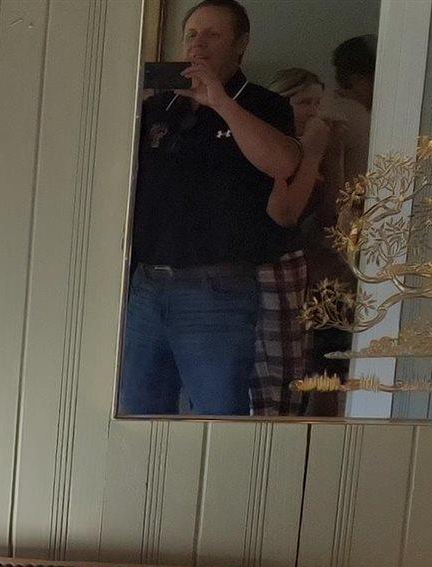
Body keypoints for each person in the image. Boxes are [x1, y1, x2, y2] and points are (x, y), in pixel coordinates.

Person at [118, 0, 301, 417]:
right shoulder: (158, 107)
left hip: (216, 291)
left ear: (242, 45)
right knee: (138, 414)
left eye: (213, 35)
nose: (199, 44)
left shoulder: (263, 104)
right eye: (192, 35)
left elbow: (284, 163)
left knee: (217, 417)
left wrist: (220, 102)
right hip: (146, 288)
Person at [264, 67, 365, 414]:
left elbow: (329, 215)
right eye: (304, 102)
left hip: (318, 275)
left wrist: (332, 154)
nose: (314, 112)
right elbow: (285, 215)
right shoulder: (272, 150)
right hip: (279, 270)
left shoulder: (315, 146)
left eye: (318, 103)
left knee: (329, 359)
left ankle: (324, 403)